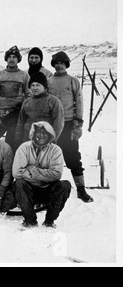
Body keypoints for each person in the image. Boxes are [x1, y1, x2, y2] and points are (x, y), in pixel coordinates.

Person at [47, 51, 93, 203]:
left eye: (62, 62)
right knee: (50, 157)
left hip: (68, 124)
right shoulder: (49, 81)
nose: (59, 65)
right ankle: (49, 190)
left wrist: (77, 125)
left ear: (66, 64)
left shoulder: (73, 81)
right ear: (53, 65)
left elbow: (79, 103)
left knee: (72, 156)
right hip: (52, 125)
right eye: (57, 62)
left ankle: (81, 189)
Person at [13, 121, 71, 228]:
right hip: (29, 190)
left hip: (47, 190)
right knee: (19, 183)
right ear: (33, 134)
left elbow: (56, 174)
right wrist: (43, 176)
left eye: (45, 133)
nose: (41, 136)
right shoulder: (24, 148)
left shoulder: (56, 150)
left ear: (50, 136)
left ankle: (49, 221)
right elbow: (17, 172)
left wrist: (33, 170)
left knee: (64, 185)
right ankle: (30, 221)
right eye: (38, 133)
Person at [0, 45, 30, 152]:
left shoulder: (24, 76)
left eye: (14, 57)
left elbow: (28, 95)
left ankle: (11, 167)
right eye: (9, 57)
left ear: (18, 59)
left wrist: (22, 109)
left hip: (15, 117)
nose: (11, 59)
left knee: (13, 144)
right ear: (6, 58)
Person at [15, 72, 64, 147]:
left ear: (45, 87)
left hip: (45, 140)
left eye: (38, 85)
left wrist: (52, 140)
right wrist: (18, 139)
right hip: (27, 140)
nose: (35, 88)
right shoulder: (27, 102)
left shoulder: (53, 101)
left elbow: (58, 123)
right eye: (32, 85)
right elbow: (20, 122)